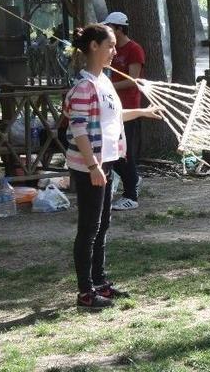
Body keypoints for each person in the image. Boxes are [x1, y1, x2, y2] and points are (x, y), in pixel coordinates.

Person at [64, 23, 161, 310]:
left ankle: (100, 282)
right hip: (90, 166)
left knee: (102, 224)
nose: (114, 52)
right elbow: (78, 129)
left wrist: (143, 111)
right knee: (89, 227)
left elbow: (114, 116)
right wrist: (93, 166)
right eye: (110, 46)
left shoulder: (104, 82)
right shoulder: (83, 87)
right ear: (94, 46)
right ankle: (85, 292)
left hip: (105, 162)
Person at [102, 12, 146, 211]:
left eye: (110, 27)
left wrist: (108, 86)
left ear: (119, 29)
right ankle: (133, 179)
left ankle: (131, 196)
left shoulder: (134, 49)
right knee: (112, 150)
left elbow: (133, 80)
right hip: (111, 107)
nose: (107, 30)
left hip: (128, 107)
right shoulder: (111, 49)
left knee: (123, 152)